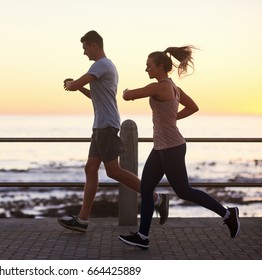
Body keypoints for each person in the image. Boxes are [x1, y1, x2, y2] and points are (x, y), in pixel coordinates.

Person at [118, 46, 240, 249]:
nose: (146, 69)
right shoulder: (174, 88)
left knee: (184, 191)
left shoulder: (160, 87)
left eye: (149, 65)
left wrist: (125, 91)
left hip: (171, 148)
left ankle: (228, 214)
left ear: (159, 67)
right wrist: (172, 117)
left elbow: (128, 96)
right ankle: (142, 236)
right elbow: (193, 107)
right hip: (162, 147)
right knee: (146, 189)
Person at [57, 30, 169, 232]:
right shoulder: (105, 67)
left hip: (107, 126)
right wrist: (79, 87)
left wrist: (69, 83)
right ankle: (82, 220)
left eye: (85, 48)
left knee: (113, 171)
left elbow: (73, 85)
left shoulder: (101, 65)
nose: (84, 53)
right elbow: (95, 96)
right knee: (90, 169)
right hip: (101, 125)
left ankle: (156, 199)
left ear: (94, 45)